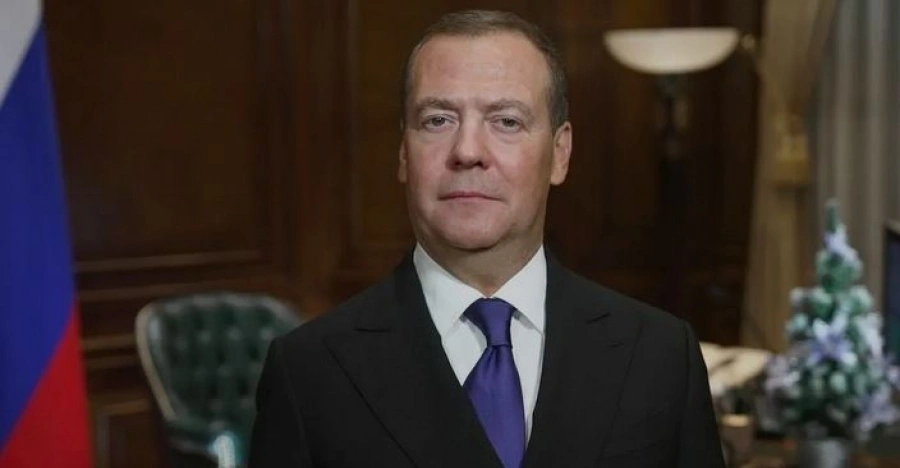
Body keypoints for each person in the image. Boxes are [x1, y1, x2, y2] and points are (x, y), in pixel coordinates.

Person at [249, 9, 725, 468]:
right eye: (438, 120)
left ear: (560, 153)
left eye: (506, 121)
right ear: (403, 153)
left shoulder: (661, 355)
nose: (467, 151)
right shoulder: (308, 371)